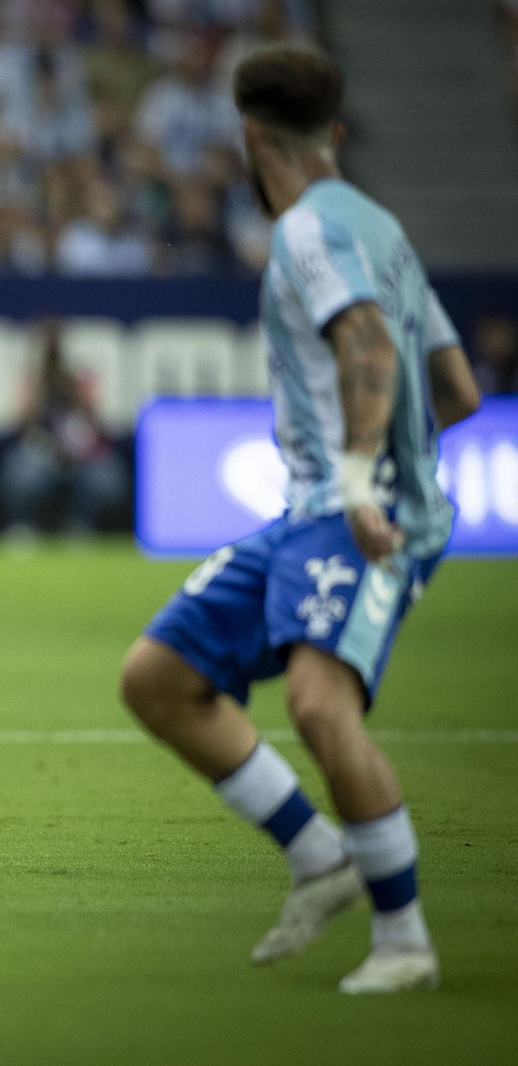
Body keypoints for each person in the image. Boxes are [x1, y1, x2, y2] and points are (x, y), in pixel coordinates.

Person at [118, 46, 482, 994]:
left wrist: (367, 481)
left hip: (352, 508)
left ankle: (405, 941)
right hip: (314, 509)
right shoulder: (381, 226)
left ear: (247, 136)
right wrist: (387, 458)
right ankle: (323, 861)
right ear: (337, 132)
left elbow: (365, 343)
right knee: (158, 679)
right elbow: (460, 386)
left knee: (322, 708)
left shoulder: (309, 231)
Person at [0, 322, 128, 536]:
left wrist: (71, 385)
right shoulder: (32, 377)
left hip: (80, 453)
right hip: (41, 450)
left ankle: (81, 524)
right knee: (21, 472)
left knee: (107, 478)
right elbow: (19, 422)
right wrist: (41, 380)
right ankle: (24, 525)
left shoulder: (78, 375)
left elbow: (96, 421)